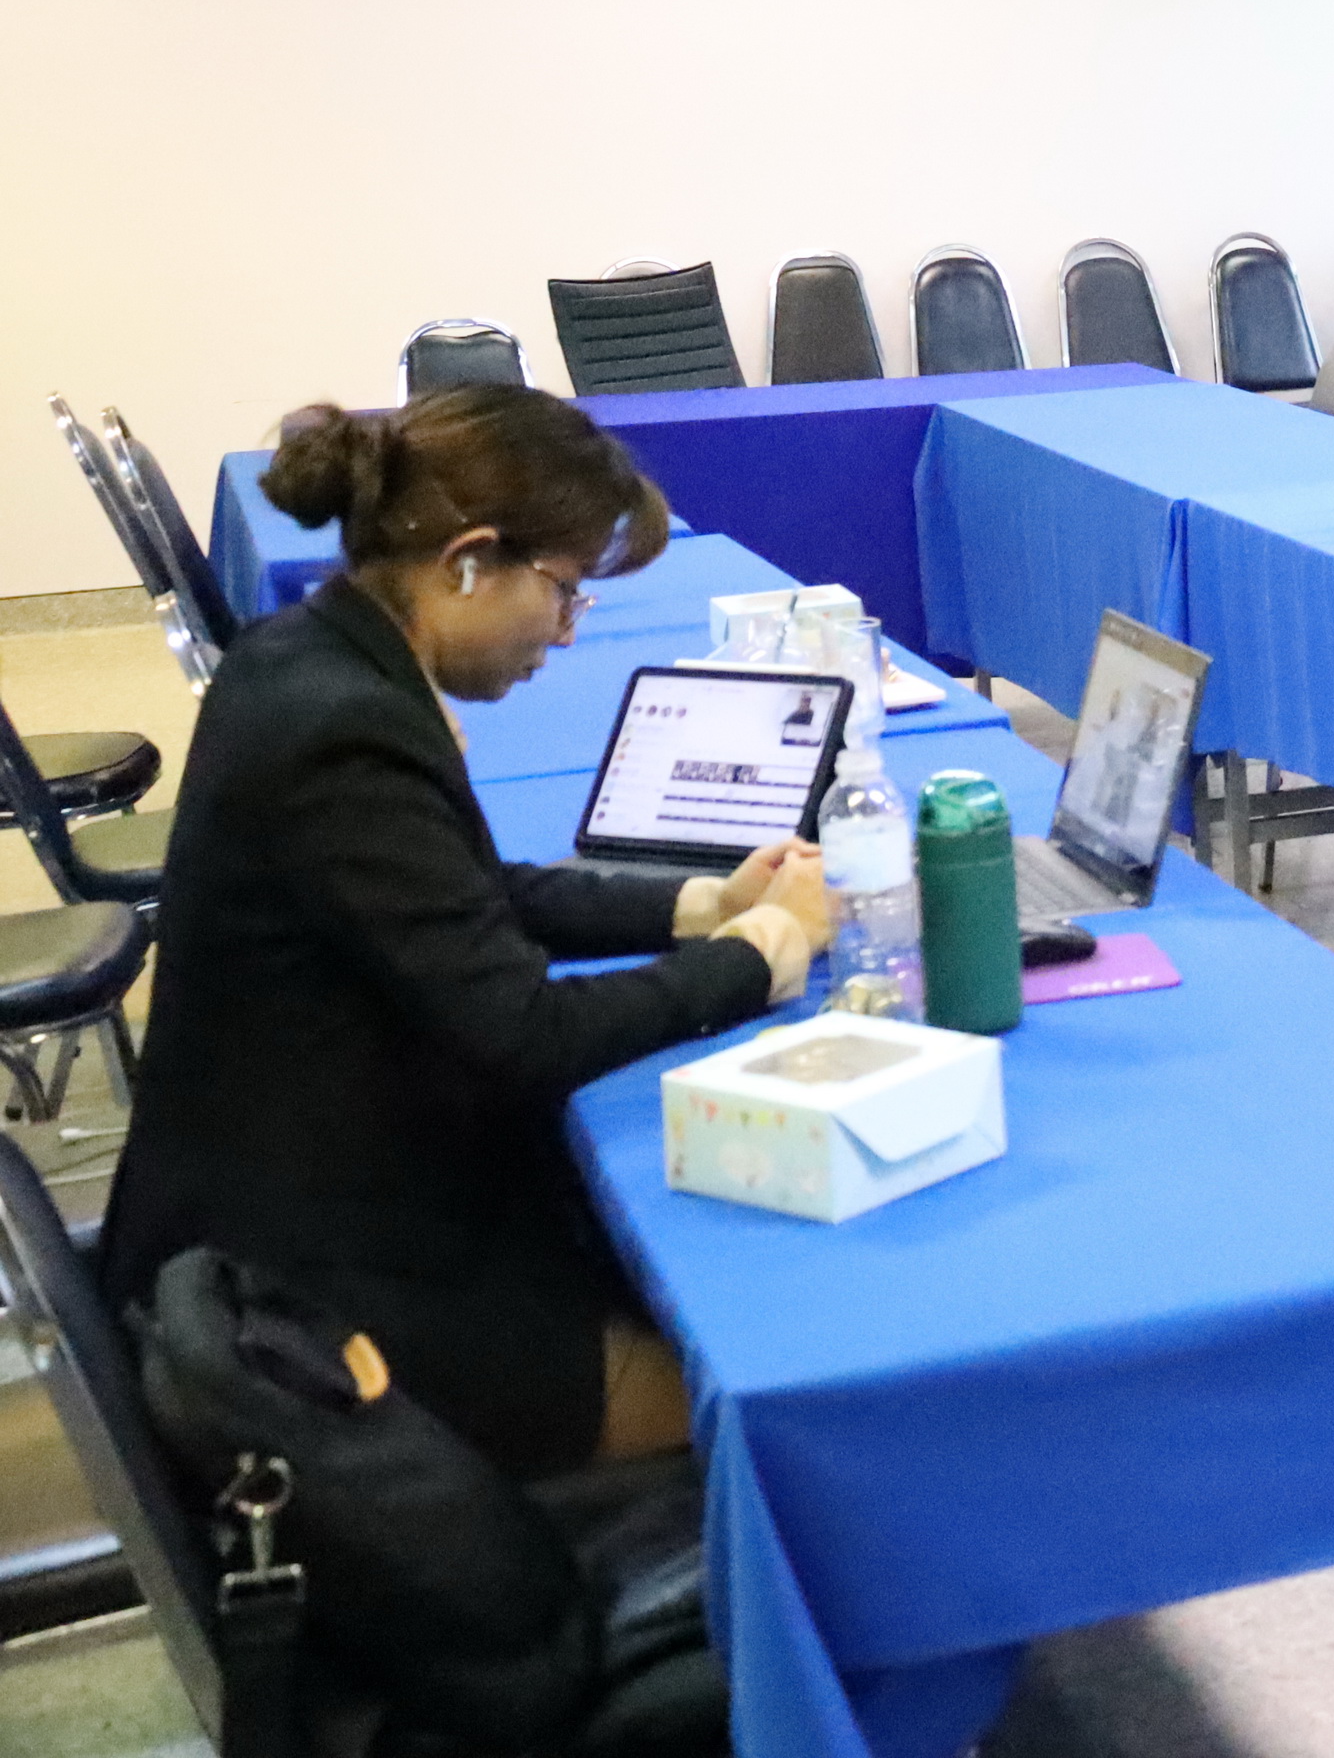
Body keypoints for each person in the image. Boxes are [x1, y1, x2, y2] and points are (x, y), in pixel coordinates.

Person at [104, 388, 829, 1478]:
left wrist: (705, 905)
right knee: (772, 1399)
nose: (569, 631)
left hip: (304, 1203)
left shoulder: (307, 652)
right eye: (566, 591)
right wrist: (758, 956)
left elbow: (472, 892)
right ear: (470, 563)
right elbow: (523, 1034)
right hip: (300, 1296)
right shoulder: (344, 729)